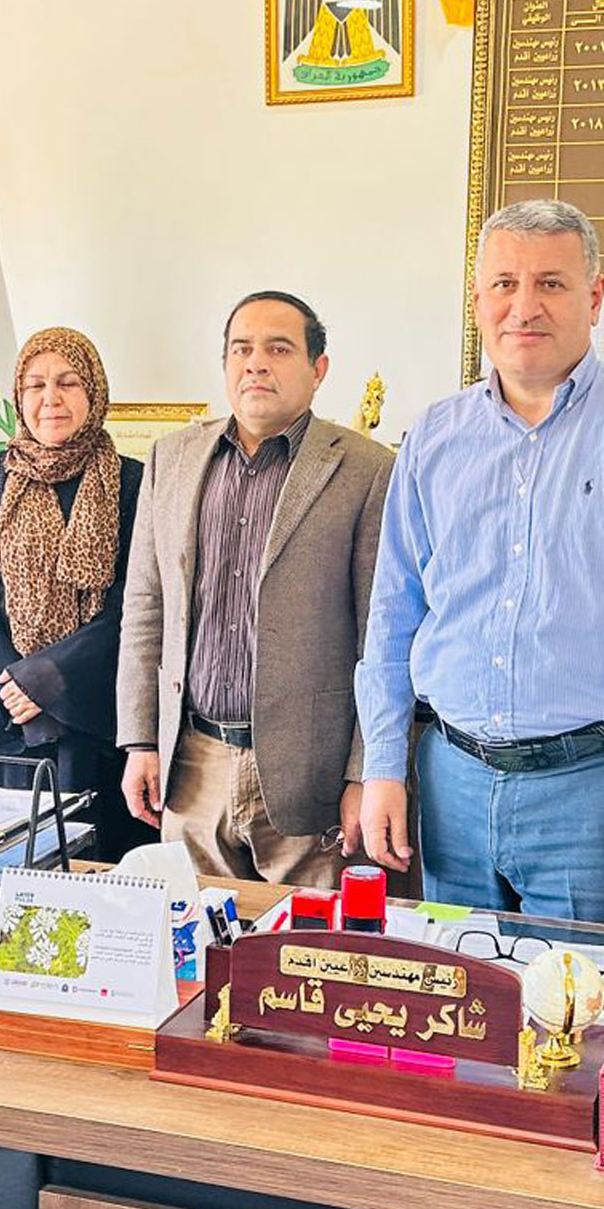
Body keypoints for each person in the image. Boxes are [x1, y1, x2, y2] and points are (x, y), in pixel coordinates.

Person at [352, 199, 604, 928]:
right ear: (478, 300)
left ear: (594, 298)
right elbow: (393, 615)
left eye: (551, 284)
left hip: (597, 792)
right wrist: (381, 765)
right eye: (504, 284)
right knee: (461, 993)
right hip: (451, 785)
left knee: (589, 998)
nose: (524, 306)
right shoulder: (432, 437)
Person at [115, 291, 394, 889]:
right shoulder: (171, 460)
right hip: (192, 765)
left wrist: (364, 773)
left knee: (306, 943)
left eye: (279, 349)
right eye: (241, 349)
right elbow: (145, 607)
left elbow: (381, 638)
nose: (256, 363)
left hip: (309, 775)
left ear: (318, 369)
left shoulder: (368, 470)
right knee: (191, 936)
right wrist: (140, 740)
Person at [0, 328, 147, 858]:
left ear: (95, 392)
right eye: (36, 385)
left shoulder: (134, 482)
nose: (51, 398)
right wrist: (14, 684)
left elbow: (136, 599)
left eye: (68, 383)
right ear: (18, 395)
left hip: (91, 704)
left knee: (87, 865)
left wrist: (48, 679)